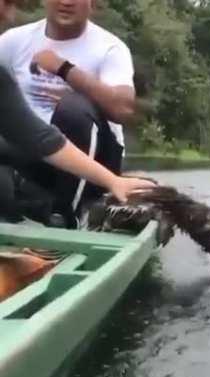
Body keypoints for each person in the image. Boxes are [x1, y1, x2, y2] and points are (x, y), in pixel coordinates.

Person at [0, 0, 155, 223]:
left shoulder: (110, 47)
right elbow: (32, 134)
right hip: (33, 149)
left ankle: (67, 216)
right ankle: (30, 207)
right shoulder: (13, 40)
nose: (66, 2)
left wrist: (65, 69)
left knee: (73, 107)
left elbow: (123, 109)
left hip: (93, 160)